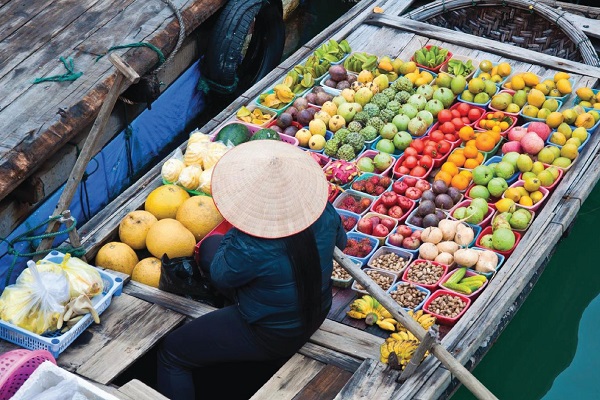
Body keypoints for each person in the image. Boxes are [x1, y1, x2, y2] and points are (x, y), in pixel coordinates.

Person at [157, 139, 347, 399]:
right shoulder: (322, 211)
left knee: (172, 353)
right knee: (212, 246)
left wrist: (239, 231)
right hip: (318, 309)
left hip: (272, 333)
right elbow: (341, 242)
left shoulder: (251, 243)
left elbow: (222, 277)